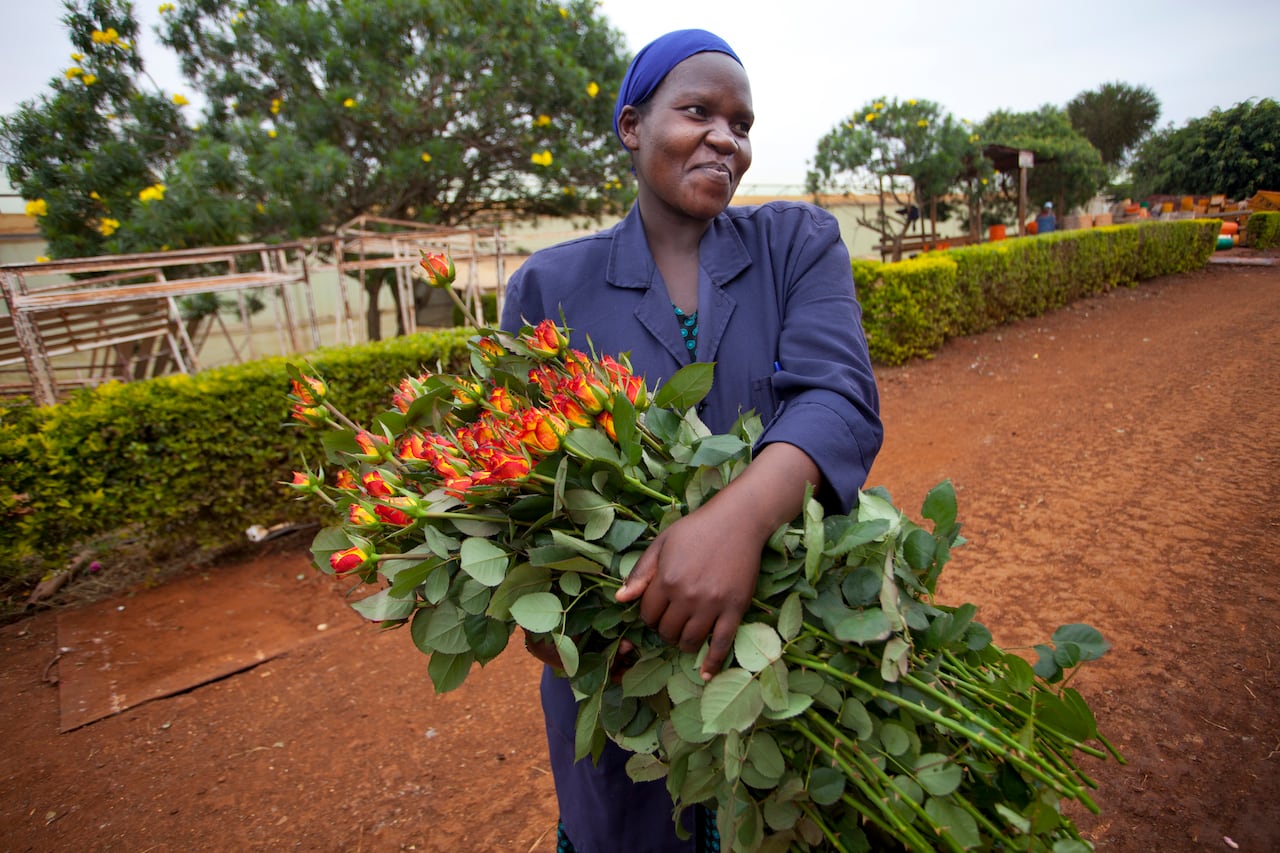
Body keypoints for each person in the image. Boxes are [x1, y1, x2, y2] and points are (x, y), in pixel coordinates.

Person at [500, 29, 883, 853]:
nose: (725, 137)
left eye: (741, 124)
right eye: (699, 111)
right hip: (625, 680)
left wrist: (738, 521)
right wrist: (550, 614)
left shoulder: (796, 245)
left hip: (791, 656)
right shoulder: (547, 287)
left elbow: (838, 394)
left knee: (787, 820)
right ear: (632, 127)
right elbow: (519, 492)